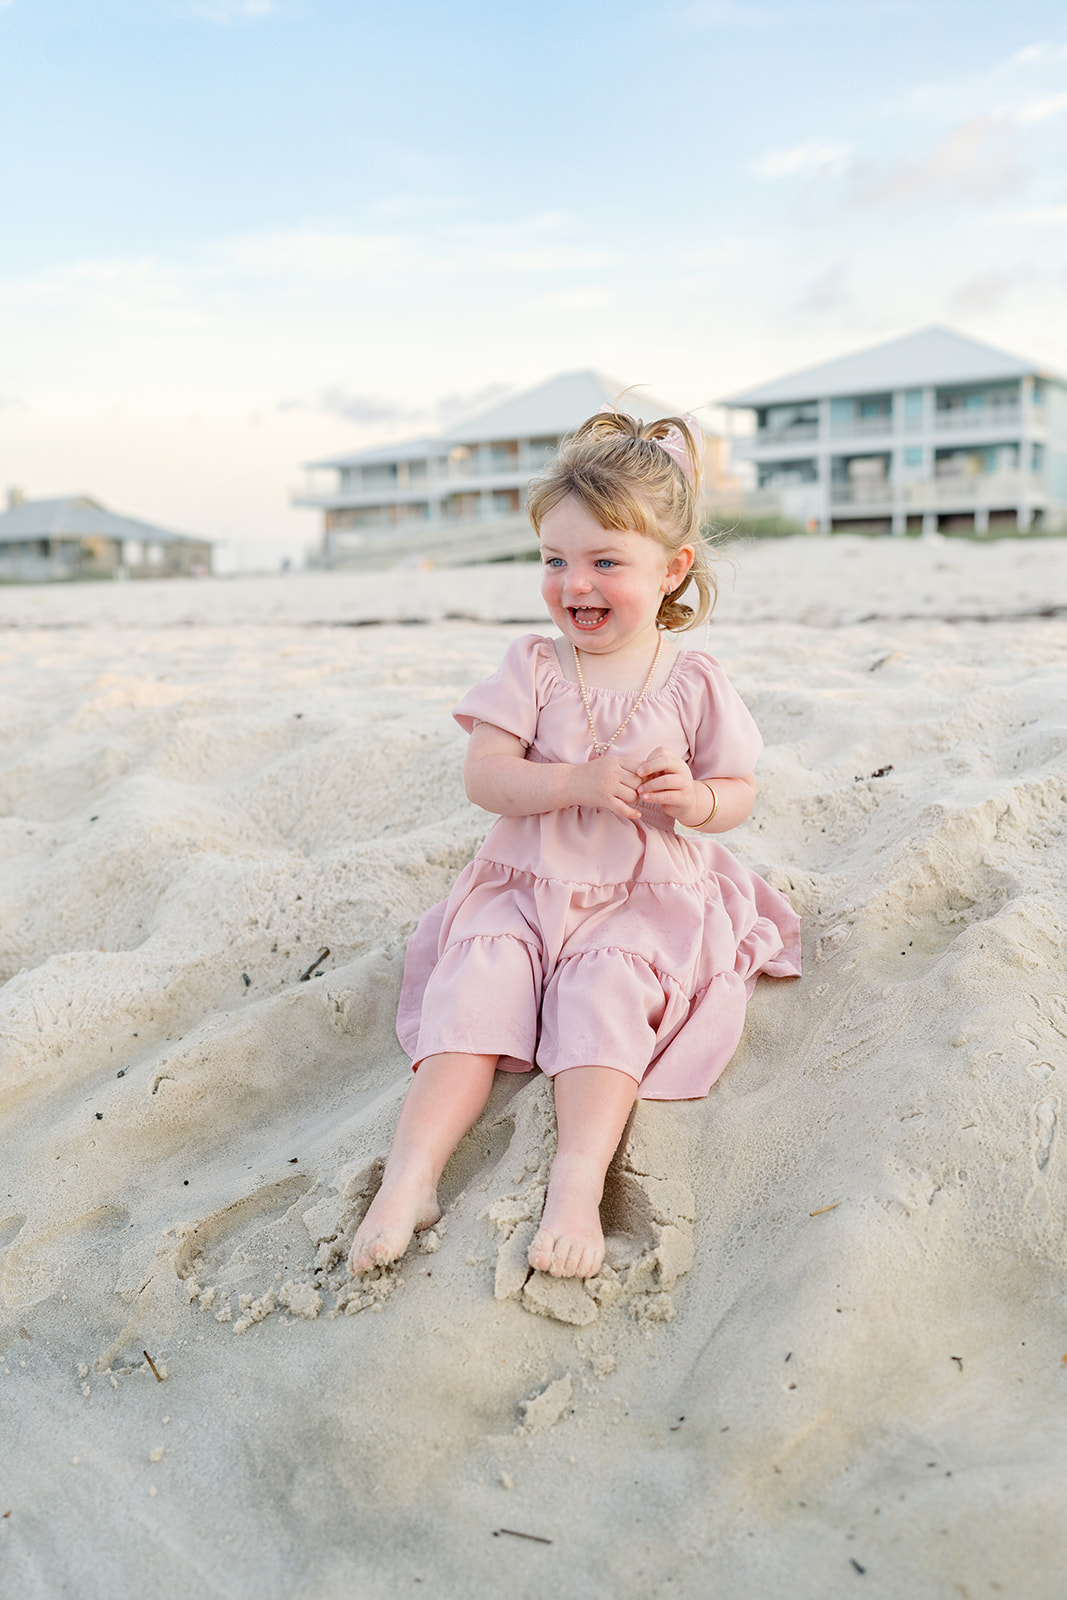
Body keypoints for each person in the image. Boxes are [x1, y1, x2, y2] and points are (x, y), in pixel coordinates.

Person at [349, 409, 801, 1281]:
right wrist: (573, 783)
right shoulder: (534, 664)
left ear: (672, 569)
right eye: (554, 561)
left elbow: (738, 791)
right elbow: (485, 777)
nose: (574, 584)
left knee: (605, 994)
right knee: (474, 986)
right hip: (525, 884)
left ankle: (576, 1179)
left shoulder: (693, 678)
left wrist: (699, 799)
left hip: (639, 896)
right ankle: (409, 1177)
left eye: (604, 562)